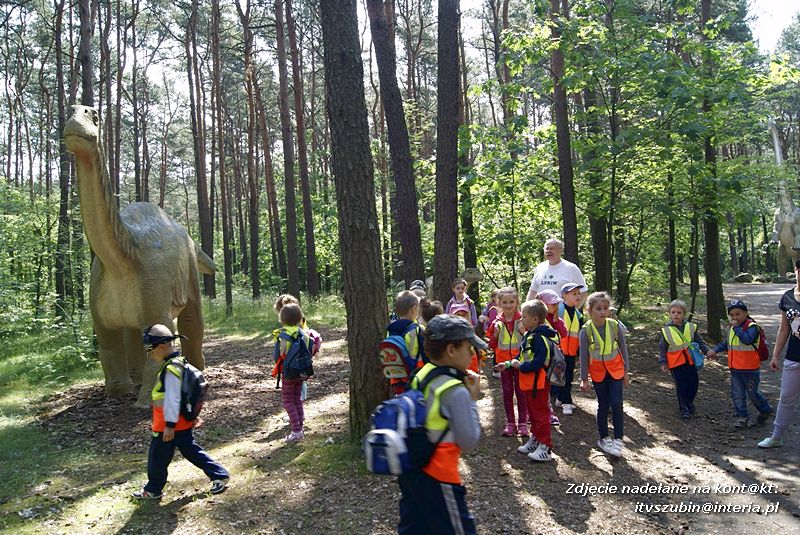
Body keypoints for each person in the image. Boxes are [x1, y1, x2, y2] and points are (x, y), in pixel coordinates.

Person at [398, 314, 484, 535]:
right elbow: (468, 439)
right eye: (469, 347)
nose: (473, 354)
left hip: (410, 468)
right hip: (439, 476)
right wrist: (472, 400)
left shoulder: (421, 374)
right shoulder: (455, 390)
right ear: (451, 350)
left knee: (415, 527)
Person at [132, 324, 229, 500]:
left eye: (150, 349)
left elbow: (173, 398)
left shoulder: (171, 369)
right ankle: (219, 474)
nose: (150, 354)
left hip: (168, 426)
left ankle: (153, 489)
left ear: (161, 347)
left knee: (157, 458)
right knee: (191, 451)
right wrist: (191, 416)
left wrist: (169, 425)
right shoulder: (179, 363)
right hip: (180, 422)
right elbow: (185, 395)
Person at [497, 300, 558, 462]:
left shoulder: (539, 338)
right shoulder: (529, 335)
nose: (521, 319)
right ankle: (536, 439)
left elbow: (540, 361)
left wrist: (522, 367)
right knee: (532, 413)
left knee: (541, 414)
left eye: (524, 317)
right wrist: (509, 364)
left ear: (535, 319)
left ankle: (545, 446)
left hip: (539, 383)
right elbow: (521, 355)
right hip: (530, 383)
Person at [708, 300, 773, 428]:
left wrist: (737, 328)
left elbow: (747, 340)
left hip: (750, 369)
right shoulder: (733, 329)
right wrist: (714, 350)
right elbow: (727, 344)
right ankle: (742, 417)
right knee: (737, 394)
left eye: (737, 314)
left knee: (753, 394)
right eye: (732, 315)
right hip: (735, 369)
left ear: (745, 313)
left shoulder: (752, 327)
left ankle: (765, 409)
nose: (734, 317)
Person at [579, 292, 630, 457]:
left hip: (616, 370)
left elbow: (623, 349)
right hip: (598, 372)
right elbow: (584, 356)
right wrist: (583, 379)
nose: (603, 311)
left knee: (617, 403)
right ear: (590, 310)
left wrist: (626, 372)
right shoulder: (585, 330)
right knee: (603, 404)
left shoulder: (615, 326)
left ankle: (619, 439)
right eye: (598, 308)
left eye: (605, 308)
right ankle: (604, 437)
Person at [759, 260, 800, 447]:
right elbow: (784, 329)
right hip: (794, 355)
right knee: (786, 397)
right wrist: (775, 355)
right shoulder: (788, 297)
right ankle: (776, 437)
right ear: (796, 271)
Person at [658, 300, 713, 419]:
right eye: (673, 312)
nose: (676, 314)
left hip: (690, 360)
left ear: (684, 314)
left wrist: (707, 351)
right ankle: (684, 409)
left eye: (679, 312)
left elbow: (699, 341)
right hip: (675, 362)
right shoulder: (666, 330)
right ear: (669, 314)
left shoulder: (691, 327)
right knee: (681, 386)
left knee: (693, 384)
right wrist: (663, 362)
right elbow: (662, 347)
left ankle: (689, 403)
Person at [487, 287, 528, 437]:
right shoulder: (496, 322)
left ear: (517, 301)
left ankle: (523, 422)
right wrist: (495, 335)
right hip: (503, 364)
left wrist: (524, 332)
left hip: (519, 363)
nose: (509, 305)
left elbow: (530, 341)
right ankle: (510, 422)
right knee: (507, 392)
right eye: (505, 302)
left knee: (521, 392)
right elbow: (491, 345)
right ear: (499, 303)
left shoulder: (523, 320)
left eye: (512, 302)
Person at [273, 303, 315, 442]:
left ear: (282, 318)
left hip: (289, 373)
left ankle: (296, 431)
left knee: (288, 401)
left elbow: (279, 355)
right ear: (299, 318)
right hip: (302, 372)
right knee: (297, 399)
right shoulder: (304, 333)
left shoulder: (283, 335)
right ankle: (300, 426)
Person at [526, 238, 588, 306]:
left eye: (552, 248)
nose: (549, 251)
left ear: (561, 250)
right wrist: (527, 310)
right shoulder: (540, 267)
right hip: (541, 314)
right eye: (547, 248)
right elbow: (533, 291)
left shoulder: (571, 268)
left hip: (562, 314)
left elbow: (583, 292)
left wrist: (572, 311)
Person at [537, 289, 566, 427]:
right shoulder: (539, 319)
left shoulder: (555, 319)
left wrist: (558, 321)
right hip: (542, 358)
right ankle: (543, 412)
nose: (556, 307)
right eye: (553, 304)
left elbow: (564, 333)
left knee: (548, 385)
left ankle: (549, 412)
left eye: (557, 304)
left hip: (553, 358)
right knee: (540, 387)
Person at [386, 290, 425, 394]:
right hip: (415, 378)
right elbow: (425, 355)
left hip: (396, 378)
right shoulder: (417, 330)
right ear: (413, 310)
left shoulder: (391, 330)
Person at [555, 283, 585, 415]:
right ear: (564, 295)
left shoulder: (578, 314)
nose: (578, 296)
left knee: (569, 375)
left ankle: (560, 399)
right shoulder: (559, 310)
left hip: (571, 351)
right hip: (560, 351)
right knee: (563, 376)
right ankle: (567, 402)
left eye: (578, 293)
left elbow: (579, 335)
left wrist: (578, 353)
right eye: (574, 293)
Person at [451, 303, 483, 374]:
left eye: (464, 314)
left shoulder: (471, 331)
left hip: (473, 370)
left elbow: (477, 351)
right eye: (458, 315)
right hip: (458, 371)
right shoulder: (450, 334)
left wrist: (479, 368)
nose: (461, 317)